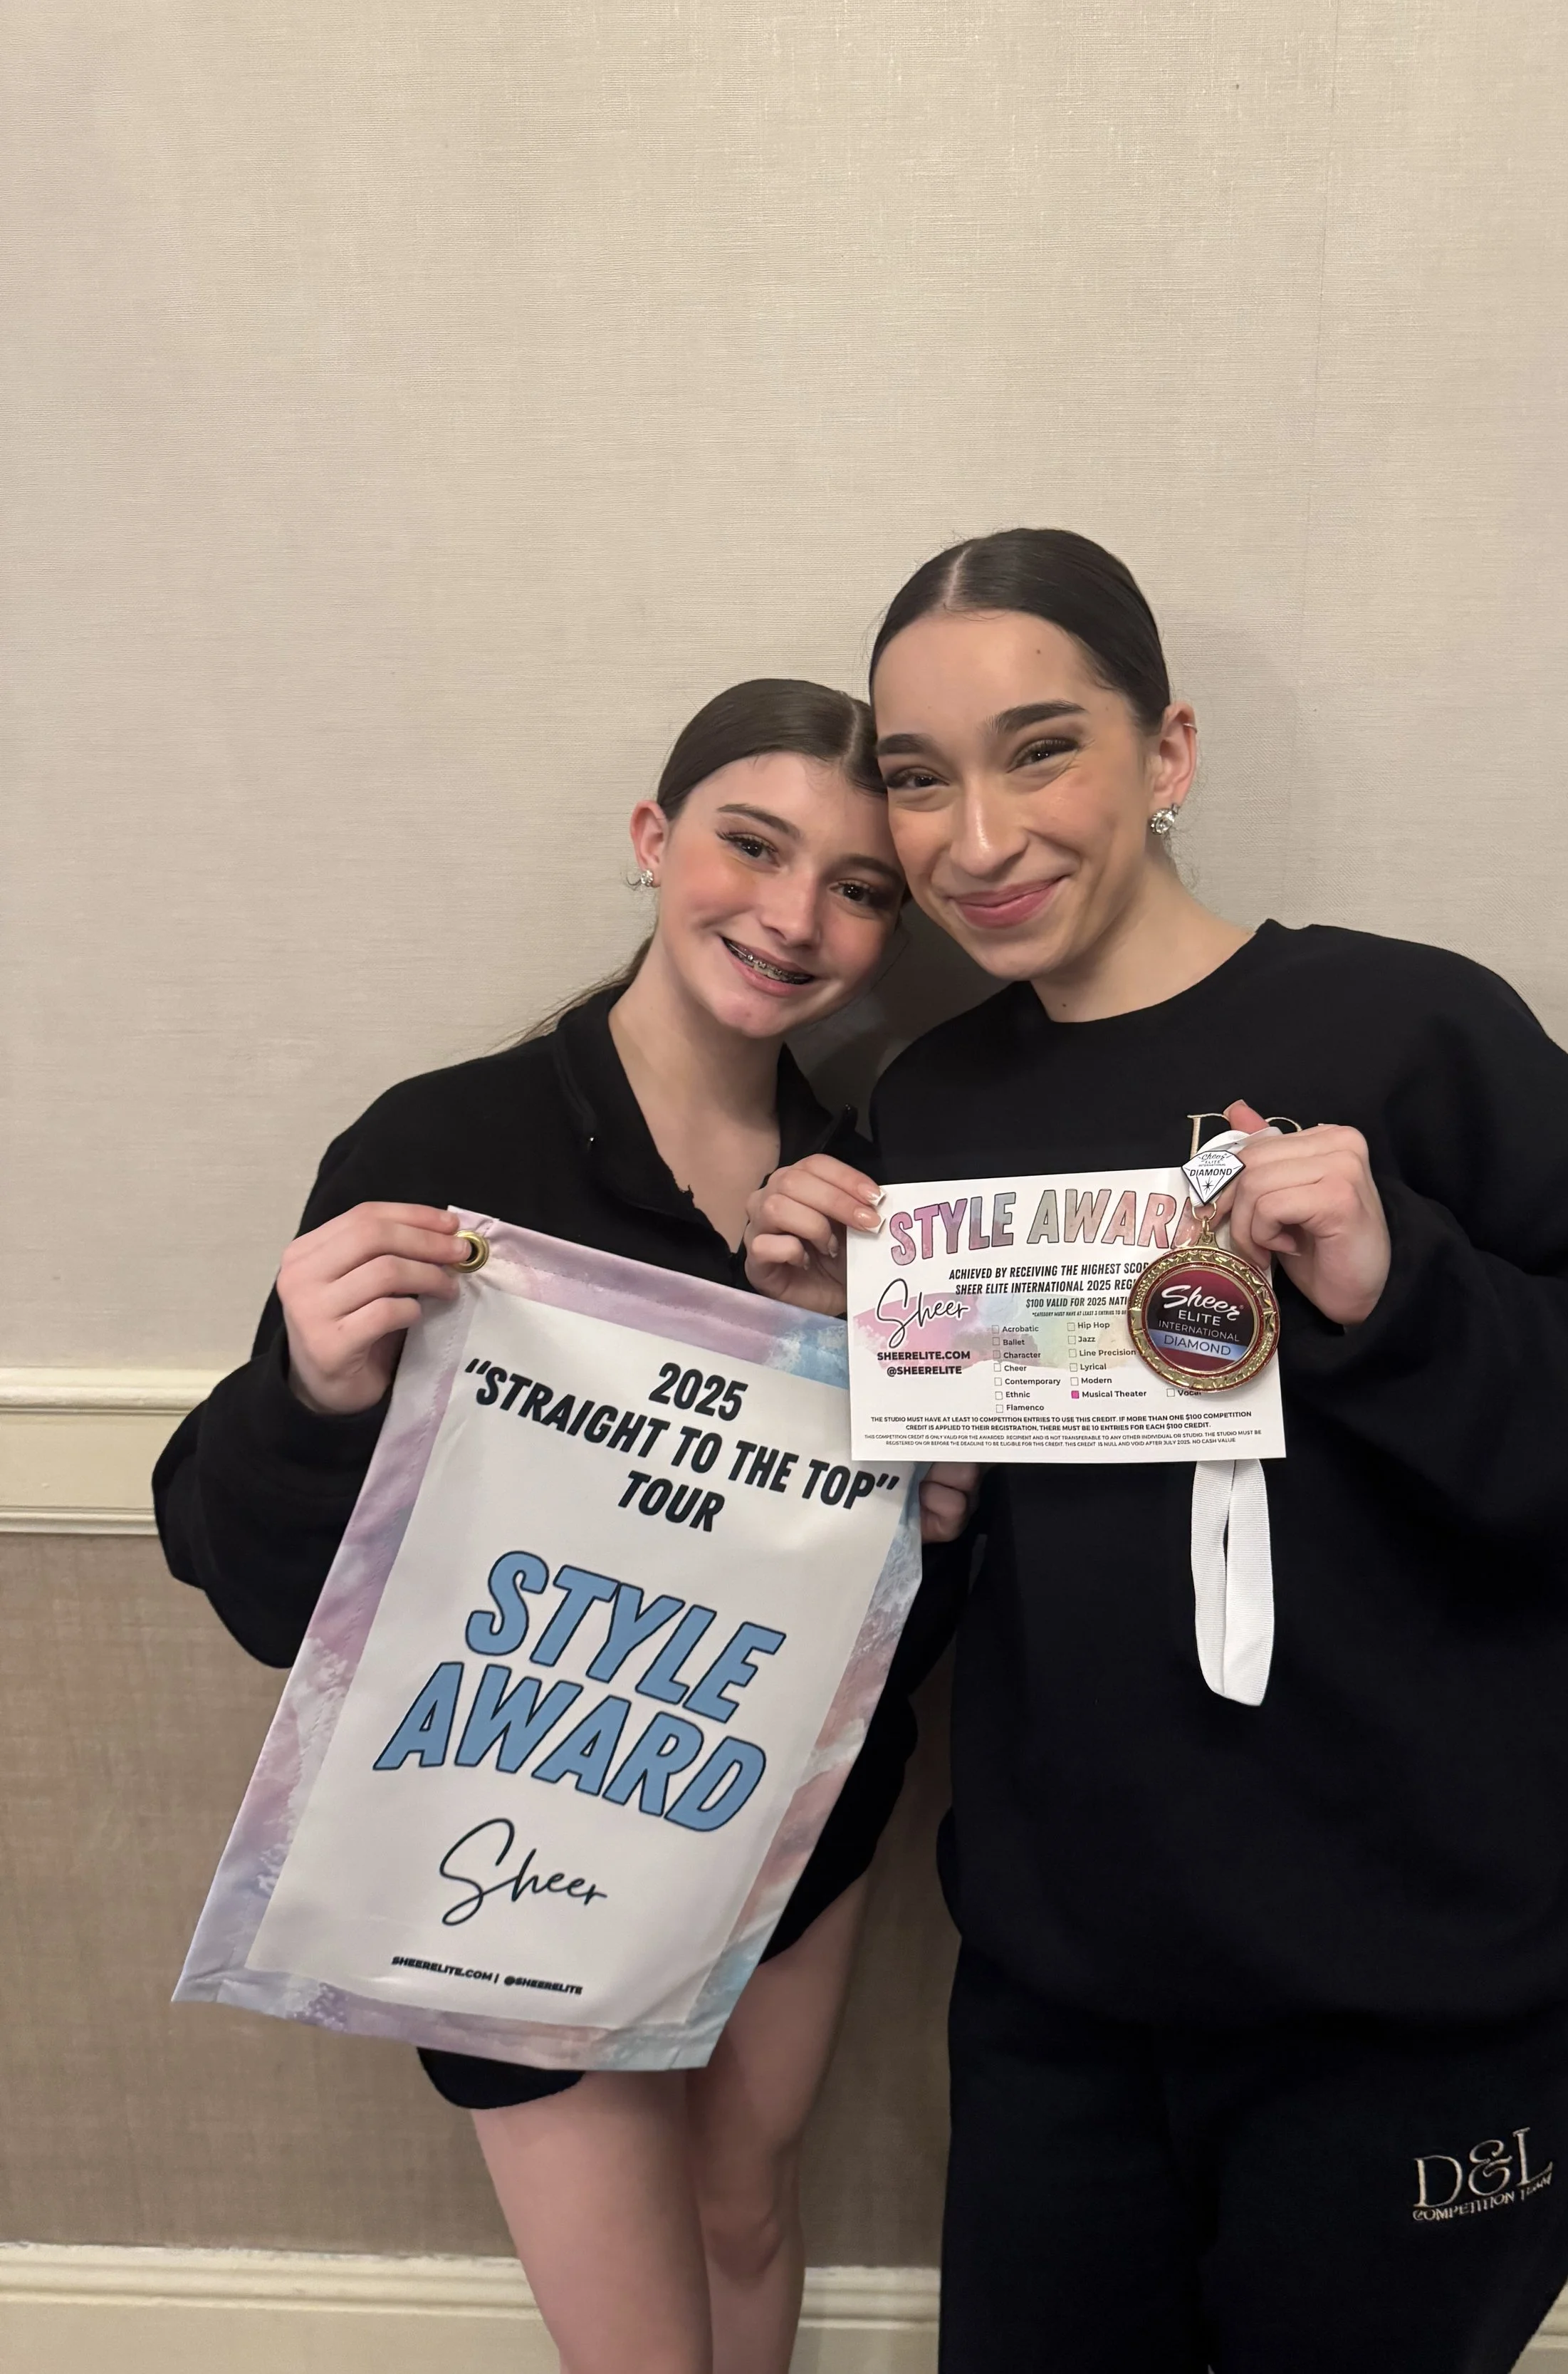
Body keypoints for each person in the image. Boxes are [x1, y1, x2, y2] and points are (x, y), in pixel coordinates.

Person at [742, 532, 1568, 2374]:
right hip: (1064, 1987)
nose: (975, 837)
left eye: (1039, 748)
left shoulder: (1408, 1026)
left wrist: (1392, 1280)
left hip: (1411, 1994)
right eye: (917, 774)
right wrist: (836, 1359)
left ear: (1168, 752)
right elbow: (950, 1546)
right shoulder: (936, 1105)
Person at [155, 677, 973, 2374]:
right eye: (750, 845)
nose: (791, 914)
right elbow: (249, 1577)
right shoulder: (445, 1147)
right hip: (501, 1824)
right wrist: (308, 1392)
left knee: (745, 2204)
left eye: (856, 886)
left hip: (775, 1821)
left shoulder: (871, 1176)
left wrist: (930, 1489)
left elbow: (893, 1620)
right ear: (652, 838)